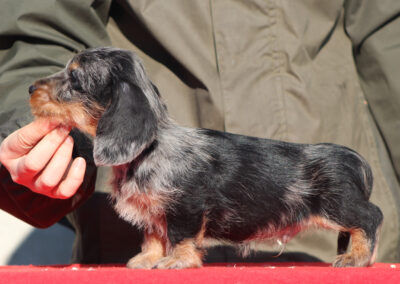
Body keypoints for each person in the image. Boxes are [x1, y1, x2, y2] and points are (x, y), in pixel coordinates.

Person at [1, 0, 400, 264]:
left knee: (331, 200)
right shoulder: (134, 142)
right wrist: (41, 140)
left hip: (315, 245)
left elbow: (389, 33)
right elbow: (42, 25)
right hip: (132, 257)